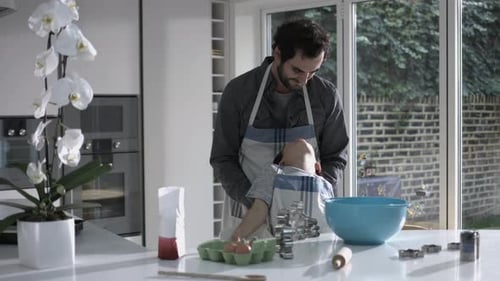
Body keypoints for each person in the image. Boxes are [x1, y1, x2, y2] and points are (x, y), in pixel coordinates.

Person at [210, 18, 349, 239]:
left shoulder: (325, 96)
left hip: (305, 217)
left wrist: (316, 197)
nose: (304, 79)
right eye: (297, 70)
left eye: (312, 72)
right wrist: (259, 202)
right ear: (277, 54)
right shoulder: (239, 92)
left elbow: (336, 157)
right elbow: (223, 159)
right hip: (249, 216)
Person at [230, 139, 334, 241]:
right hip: (284, 244)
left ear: (317, 167)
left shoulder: (325, 184)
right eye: (290, 144)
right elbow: (258, 210)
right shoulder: (273, 172)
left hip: (319, 242)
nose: (298, 140)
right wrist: (237, 237)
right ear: (282, 162)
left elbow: (332, 217)